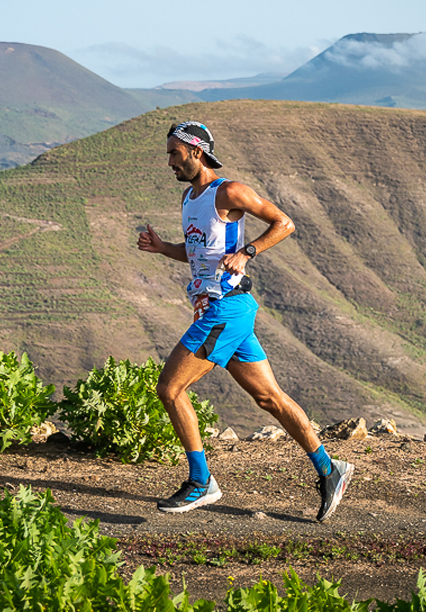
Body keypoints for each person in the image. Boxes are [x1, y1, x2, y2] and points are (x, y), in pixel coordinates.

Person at [137, 120, 354, 521]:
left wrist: (249, 251)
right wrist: (163, 248)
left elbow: (284, 223)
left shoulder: (229, 191)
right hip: (224, 310)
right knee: (269, 398)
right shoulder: (189, 197)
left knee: (169, 388)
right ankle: (330, 470)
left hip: (225, 308)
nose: (168, 161)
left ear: (196, 152)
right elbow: (199, 252)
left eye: (173, 153)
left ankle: (202, 482)